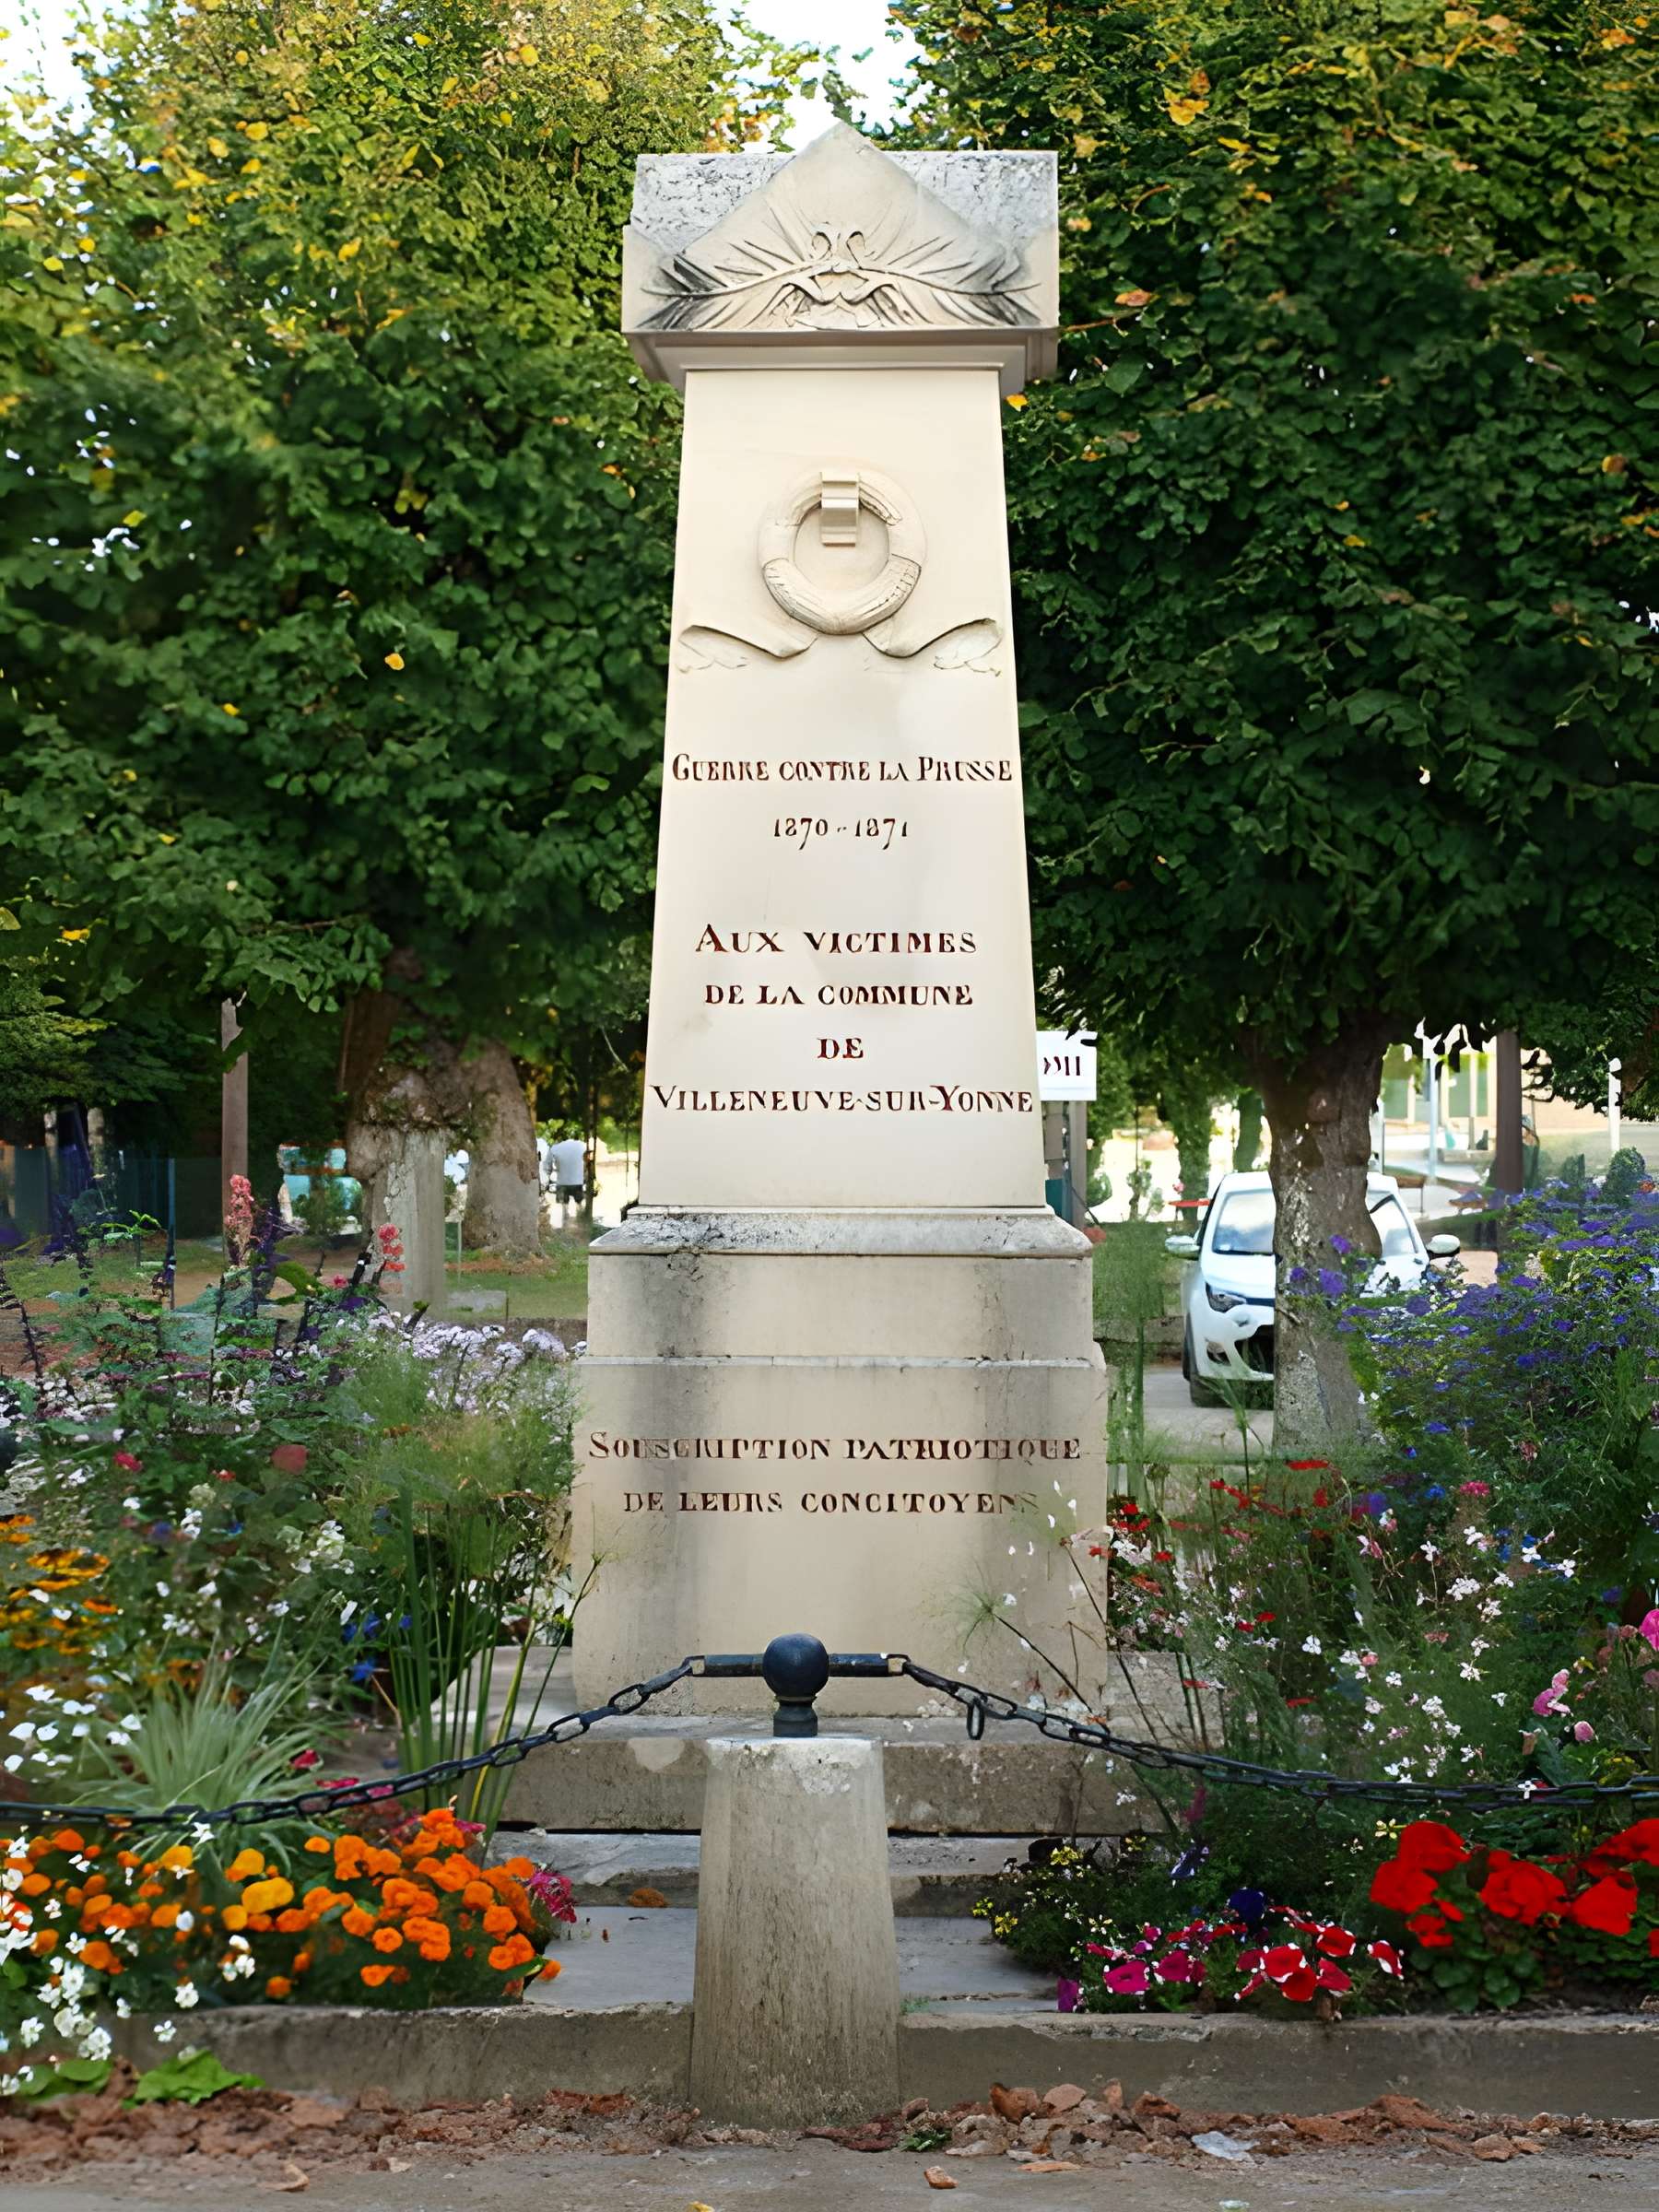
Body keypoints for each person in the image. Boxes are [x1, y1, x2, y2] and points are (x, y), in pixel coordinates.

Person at [549, 1135, 586, 1215]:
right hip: (577, 1181)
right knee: (579, 1203)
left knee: (564, 1206)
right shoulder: (582, 1145)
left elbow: (548, 1163)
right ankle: (580, 1217)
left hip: (562, 1182)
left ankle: (565, 1216)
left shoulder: (555, 1148)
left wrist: (549, 1173)